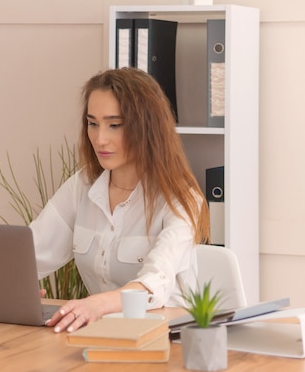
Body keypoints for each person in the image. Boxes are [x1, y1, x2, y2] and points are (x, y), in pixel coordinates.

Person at [29, 67, 210, 333]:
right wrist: (16, 288)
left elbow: (154, 281)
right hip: (102, 339)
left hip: (168, 343)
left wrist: (96, 305)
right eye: (93, 123)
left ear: (147, 127)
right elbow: (31, 251)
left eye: (115, 125)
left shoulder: (181, 199)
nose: (100, 139)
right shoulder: (83, 186)